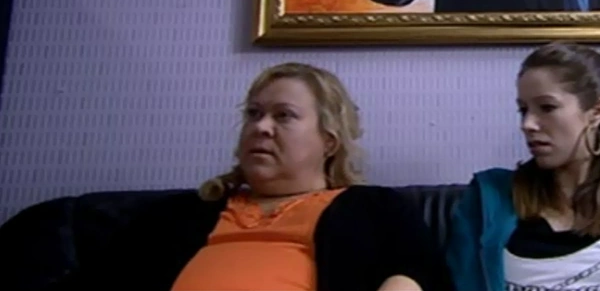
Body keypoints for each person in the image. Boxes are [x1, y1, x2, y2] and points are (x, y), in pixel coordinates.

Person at [60, 62, 453, 291]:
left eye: (284, 115)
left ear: (329, 141)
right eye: (253, 114)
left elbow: (419, 272)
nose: (261, 127)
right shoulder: (181, 213)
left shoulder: (373, 207)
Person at [445, 42, 600, 291]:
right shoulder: (488, 197)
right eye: (523, 110)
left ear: (597, 112)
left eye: (547, 107)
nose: (528, 124)